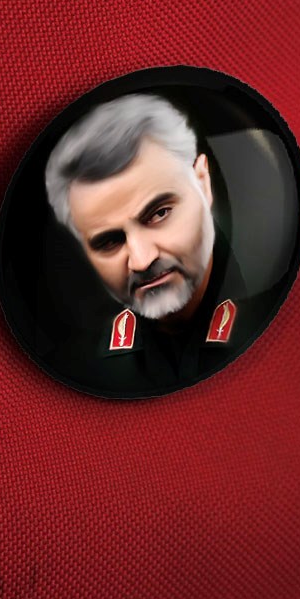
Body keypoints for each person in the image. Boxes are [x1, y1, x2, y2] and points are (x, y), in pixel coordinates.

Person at [43, 93, 257, 394]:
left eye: (159, 214)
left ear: (202, 182)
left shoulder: (282, 314)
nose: (142, 260)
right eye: (109, 241)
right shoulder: (75, 370)